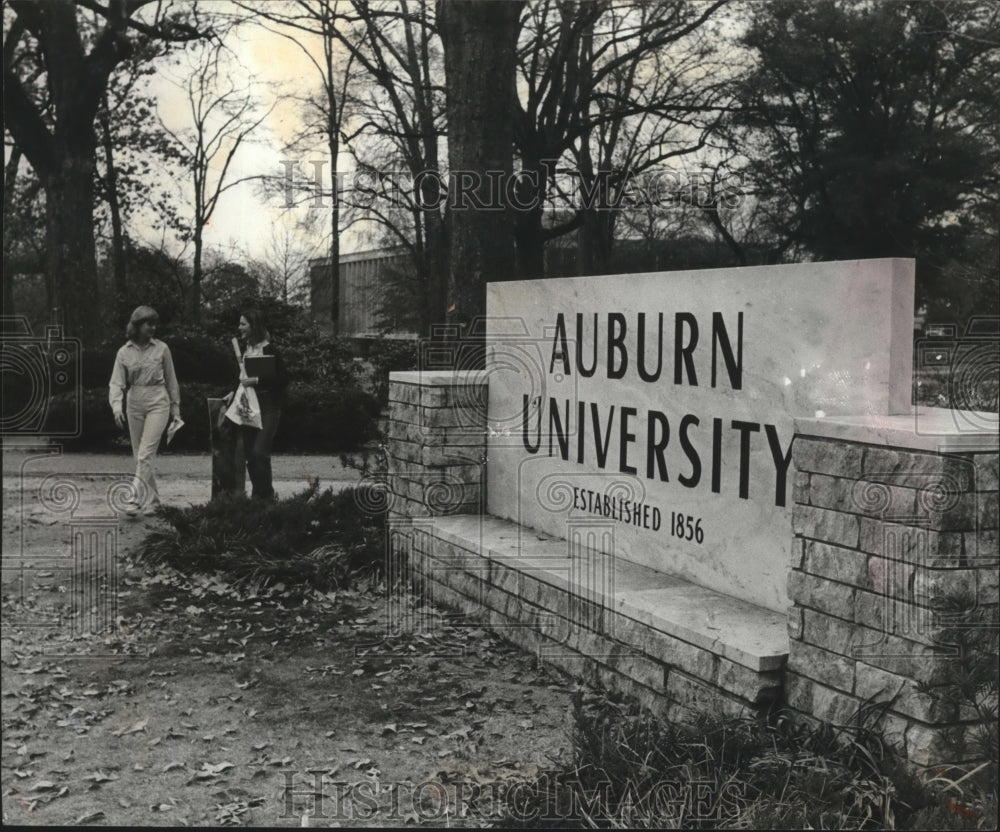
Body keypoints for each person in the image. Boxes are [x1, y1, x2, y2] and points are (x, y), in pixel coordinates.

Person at [108, 306, 181, 516]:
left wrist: (176, 409)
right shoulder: (123, 352)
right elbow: (116, 383)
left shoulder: (162, 349)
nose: (153, 328)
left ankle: (133, 499)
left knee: (145, 454)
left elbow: (172, 380)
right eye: (149, 324)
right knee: (139, 456)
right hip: (134, 402)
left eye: (155, 324)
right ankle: (155, 502)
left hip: (158, 400)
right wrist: (116, 407)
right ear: (138, 325)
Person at [234, 310, 288, 500]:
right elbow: (241, 380)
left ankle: (266, 497)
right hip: (249, 406)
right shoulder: (245, 351)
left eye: (243, 324)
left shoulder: (270, 350)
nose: (239, 328)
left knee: (259, 453)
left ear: (253, 326)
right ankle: (260, 496)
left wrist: (257, 381)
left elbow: (282, 379)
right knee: (251, 456)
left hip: (268, 407)